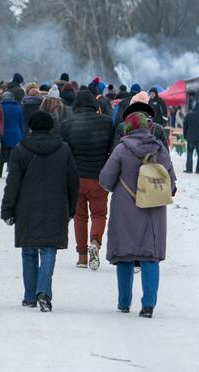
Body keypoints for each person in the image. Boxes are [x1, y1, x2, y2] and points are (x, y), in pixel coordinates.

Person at [99, 111, 176, 318]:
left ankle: (124, 302)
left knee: (124, 255)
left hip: (125, 208)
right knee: (150, 256)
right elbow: (171, 182)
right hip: (153, 208)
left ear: (128, 128)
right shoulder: (160, 149)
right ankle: (149, 304)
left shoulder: (121, 150)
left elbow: (106, 180)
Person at [1, 111, 79, 312]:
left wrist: (7, 209)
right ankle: (43, 292)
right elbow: (73, 182)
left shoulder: (20, 150)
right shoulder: (63, 149)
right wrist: (71, 208)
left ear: (31, 127)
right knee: (49, 249)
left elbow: (13, 184)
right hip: (56, 205)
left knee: (29, 251)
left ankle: (29, 296)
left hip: (27, 207)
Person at [60, 90, 114, 270]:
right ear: (94, 105)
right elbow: (112, 149)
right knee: (99, 214)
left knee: (80, 217)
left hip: (76, 178)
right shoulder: (106, 122)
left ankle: (82, 256)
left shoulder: (68, 124)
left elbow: (64, 151)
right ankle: (95, 243)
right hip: (99, 178)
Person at [0, 91, 23, 178]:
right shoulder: (18, 107)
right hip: (15, 134)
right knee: (13, 153)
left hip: (3, 133)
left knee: (1, 152)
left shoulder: (0, 107)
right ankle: (11, 170)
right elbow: (21, 122)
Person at [182, 101, 199, 174]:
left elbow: (185, 126)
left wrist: (185, 135)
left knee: (190, 154)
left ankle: (189, 169)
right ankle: (198, 170)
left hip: (190, 137)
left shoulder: (189, 115)